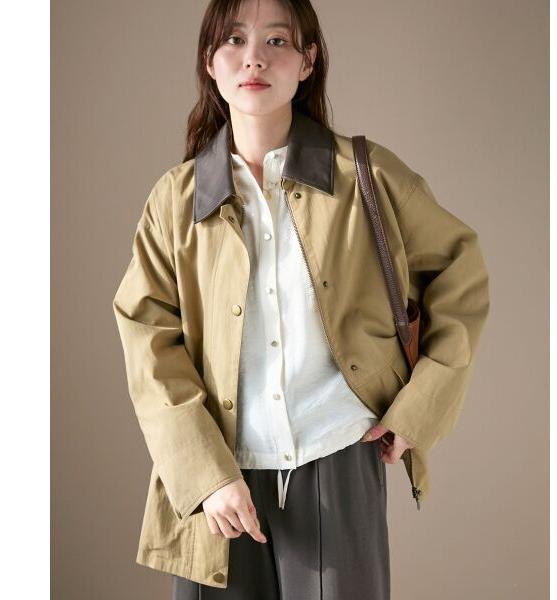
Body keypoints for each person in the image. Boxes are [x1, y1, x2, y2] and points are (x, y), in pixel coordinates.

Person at [112, 0, 491, 598]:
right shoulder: (175, 200)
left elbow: (459, 270)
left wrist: (421, 408)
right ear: (210, 62)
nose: (254, 58)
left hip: (339, 456)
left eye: (277, 41)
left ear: (308, 61)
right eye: (233, 40)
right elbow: (147, 340)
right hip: (219, 476)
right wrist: (205, 475)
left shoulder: (366, 175)